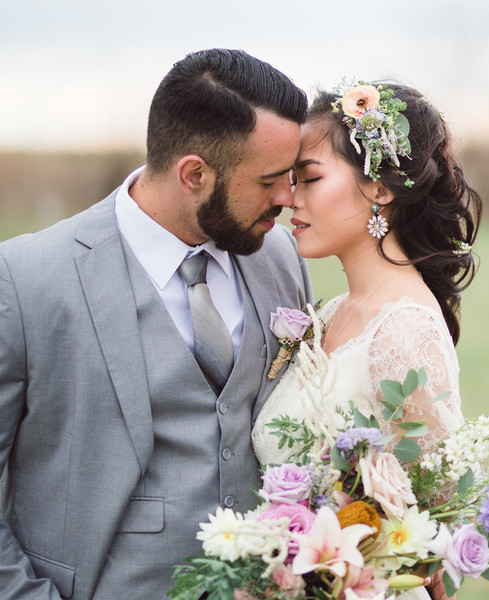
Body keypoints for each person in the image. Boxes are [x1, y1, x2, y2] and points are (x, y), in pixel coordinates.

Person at [0, 49, 314, 599]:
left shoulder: (281, 258)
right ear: (194, 173)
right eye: (269, 180)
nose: (287, 199)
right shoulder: (27, 280)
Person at [251, 81, 481, 600]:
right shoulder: (330, 314)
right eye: (289, 180)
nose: (289, 198)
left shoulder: (404, 332)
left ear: (380, 187)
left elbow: (434, 522)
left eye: (309, 178)